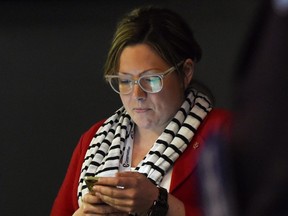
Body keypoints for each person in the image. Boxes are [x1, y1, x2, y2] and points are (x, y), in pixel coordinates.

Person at [51, 6, 231, 216]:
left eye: (151, 79)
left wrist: (159, 203)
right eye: (125, 81)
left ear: (185, 72)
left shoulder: (223, 131)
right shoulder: (94, 138)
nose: (137, 94)